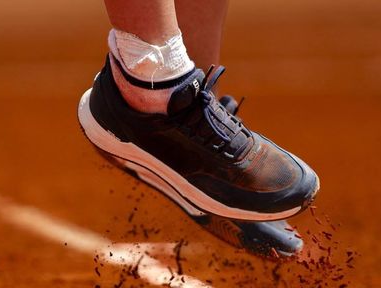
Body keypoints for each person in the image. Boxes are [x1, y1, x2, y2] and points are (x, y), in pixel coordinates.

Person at [78, 0, 319, 259]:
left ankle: (184, 127)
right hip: (143, 98)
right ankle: (151, 91)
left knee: (191, 83)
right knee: (161, 83)